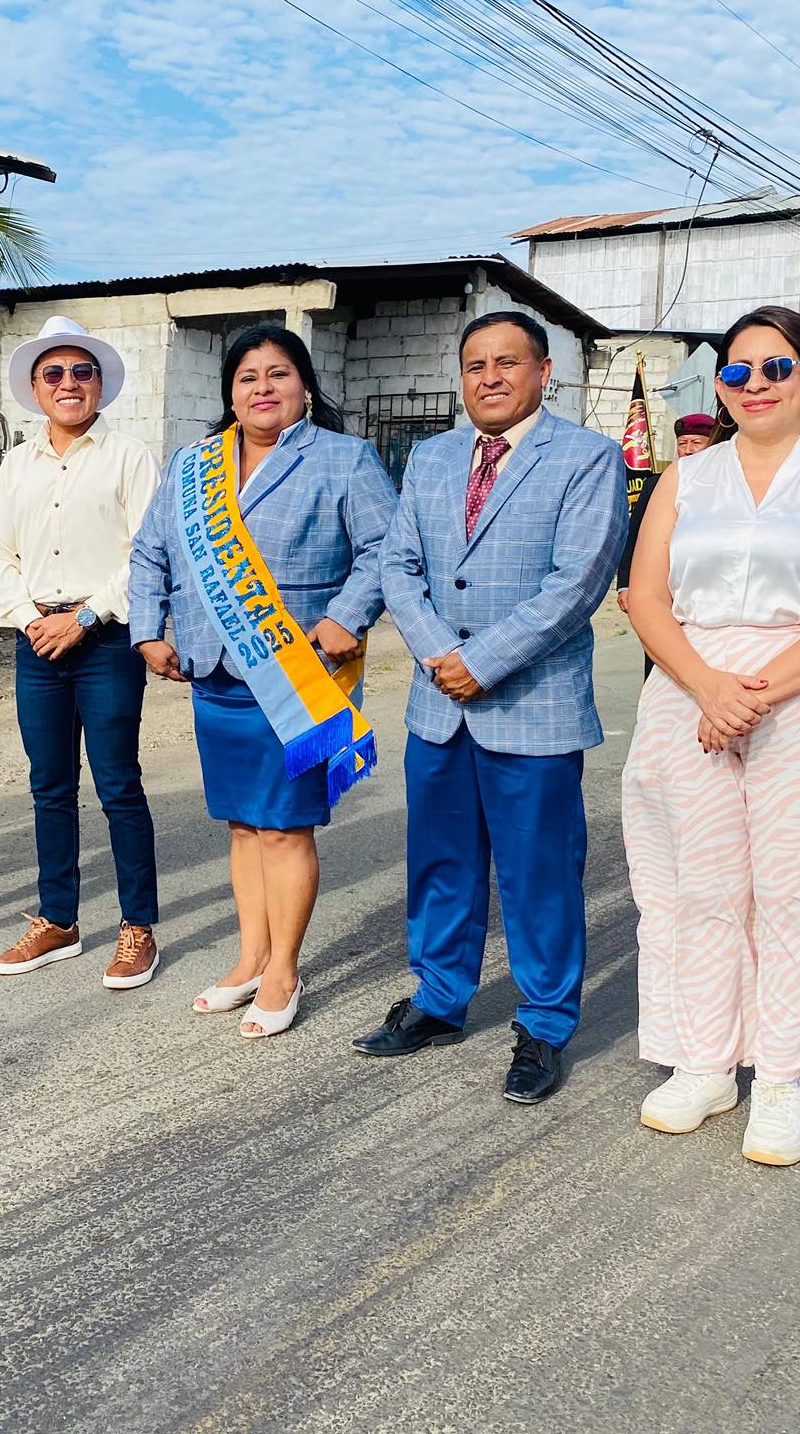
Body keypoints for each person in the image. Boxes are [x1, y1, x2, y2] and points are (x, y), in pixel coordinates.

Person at [622, 304, 800, 1167]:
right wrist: (708, 687)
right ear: (721, 386)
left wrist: (756, 695)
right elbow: (646, 596)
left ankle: (780, 1077)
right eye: (738, 371)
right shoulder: (685, 478)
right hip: (688, 692)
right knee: (696, 885)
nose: (756, 385)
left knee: (792, 888)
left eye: (777, 368)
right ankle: (703, 1062)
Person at [354, 311, 627, 1106]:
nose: (490, 378)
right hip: (439, 703)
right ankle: (440, 999)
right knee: (441, 861)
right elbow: (399, 565)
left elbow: (578, 584)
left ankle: (544, 1024)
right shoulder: (432, 457)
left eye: (508, 362)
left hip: (531, 704)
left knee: (539, 873)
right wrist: (441, 652)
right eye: (475, 365)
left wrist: (483, 661)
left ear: (544, 371)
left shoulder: (586, 458)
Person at [129, 324, 396, 1039]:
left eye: (279, 373)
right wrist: (147, 629)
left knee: (283, 829)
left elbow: (385, 549)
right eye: (247, 377)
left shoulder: (344, 458)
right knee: (244, 826)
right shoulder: (192, 467)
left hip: (297, 673)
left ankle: (284, 970)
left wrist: (345, 617)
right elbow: (150, 551)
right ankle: (250, 958)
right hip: (213, 671)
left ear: (305, 384)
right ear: (230, 393)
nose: (263, 388)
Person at [0, 318, 164, 989]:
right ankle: (58, 920)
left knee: (117, 783)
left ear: (100, 385)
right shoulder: (16, 462)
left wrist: (84, 617)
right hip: (38, 642)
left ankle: (137, 925)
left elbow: (147, 552)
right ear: (35, 388)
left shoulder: (129, 457)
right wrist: (34, 620)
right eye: (53, 373)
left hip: (105, 639)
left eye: (81, 372)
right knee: (50, 786)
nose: (68, 383)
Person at [617, 412, 716, 616]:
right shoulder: (656, 484)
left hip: (704, 586)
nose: (688, 450)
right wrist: (625, 584)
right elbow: (634, 534)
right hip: (658, 582)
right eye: (682, 443)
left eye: (696, 443)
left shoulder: (724, 483)